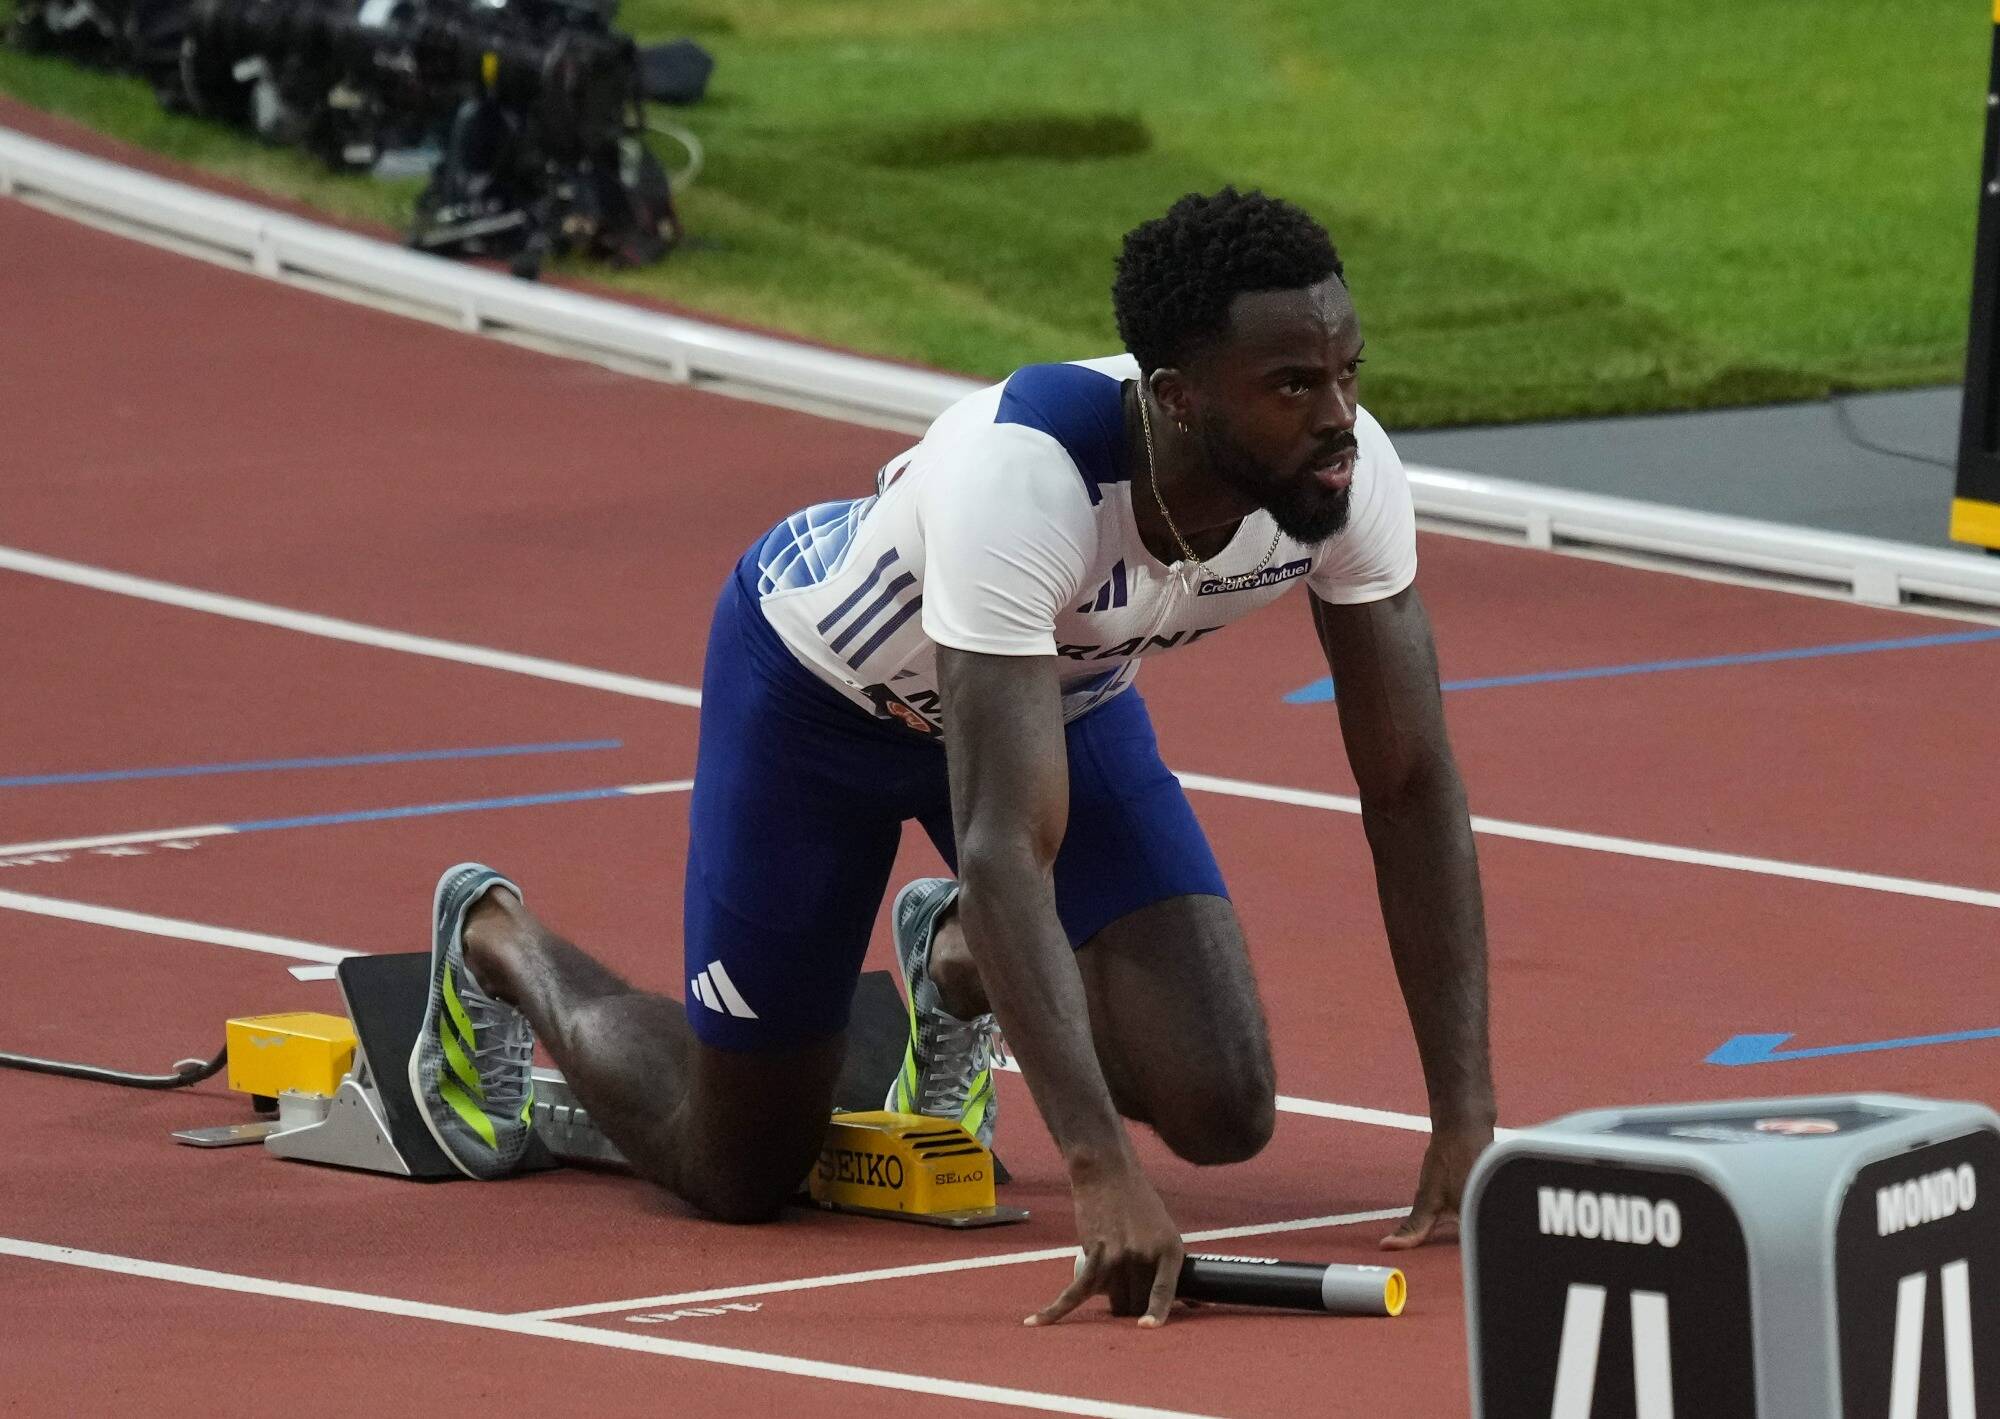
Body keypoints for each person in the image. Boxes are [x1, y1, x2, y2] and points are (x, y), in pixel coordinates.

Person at [407, 187, 1495, 1329]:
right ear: (1177, 397)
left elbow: (1409, 782)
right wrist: (1098, 1172)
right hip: (819, 706)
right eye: (1293, 386)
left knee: (1223, 1109)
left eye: (1348, 373)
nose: (1338, 416)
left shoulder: (1344, 474)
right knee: (738, 1168)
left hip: (1056, 700)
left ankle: (961, 961)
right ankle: (497, 941)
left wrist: (1465, 1118)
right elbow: (1003, 845)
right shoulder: (1024, 478)